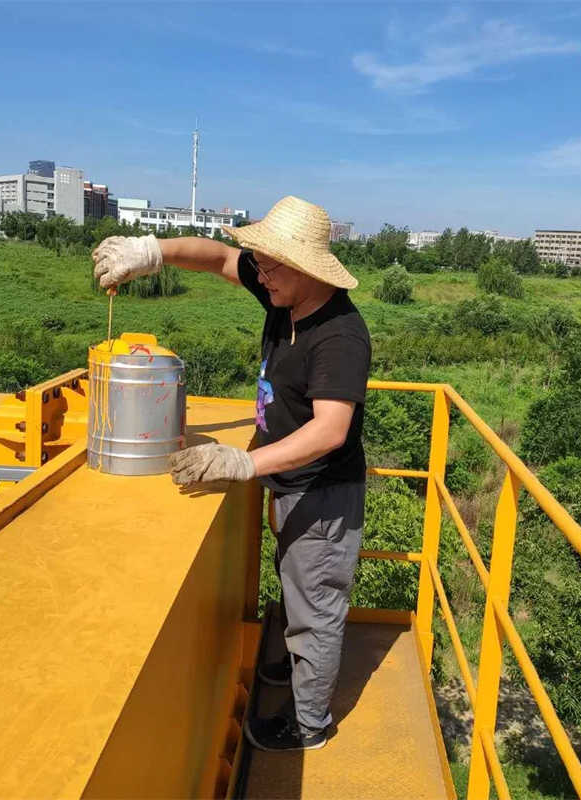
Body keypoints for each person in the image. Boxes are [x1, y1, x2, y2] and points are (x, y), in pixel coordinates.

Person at [92, 195, 371, 752]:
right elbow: (218, 259)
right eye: (262, 265)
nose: (259, 275)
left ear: (307, 270)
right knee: (298, 587)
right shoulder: (283, 295)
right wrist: (151, 252)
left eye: (269, 267)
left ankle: (309, 724)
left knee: (315, 608)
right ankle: (298, 672)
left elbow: (330, 430)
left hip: (321, 496)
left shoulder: (339, 335)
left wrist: (243, 461)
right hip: (289, 486)